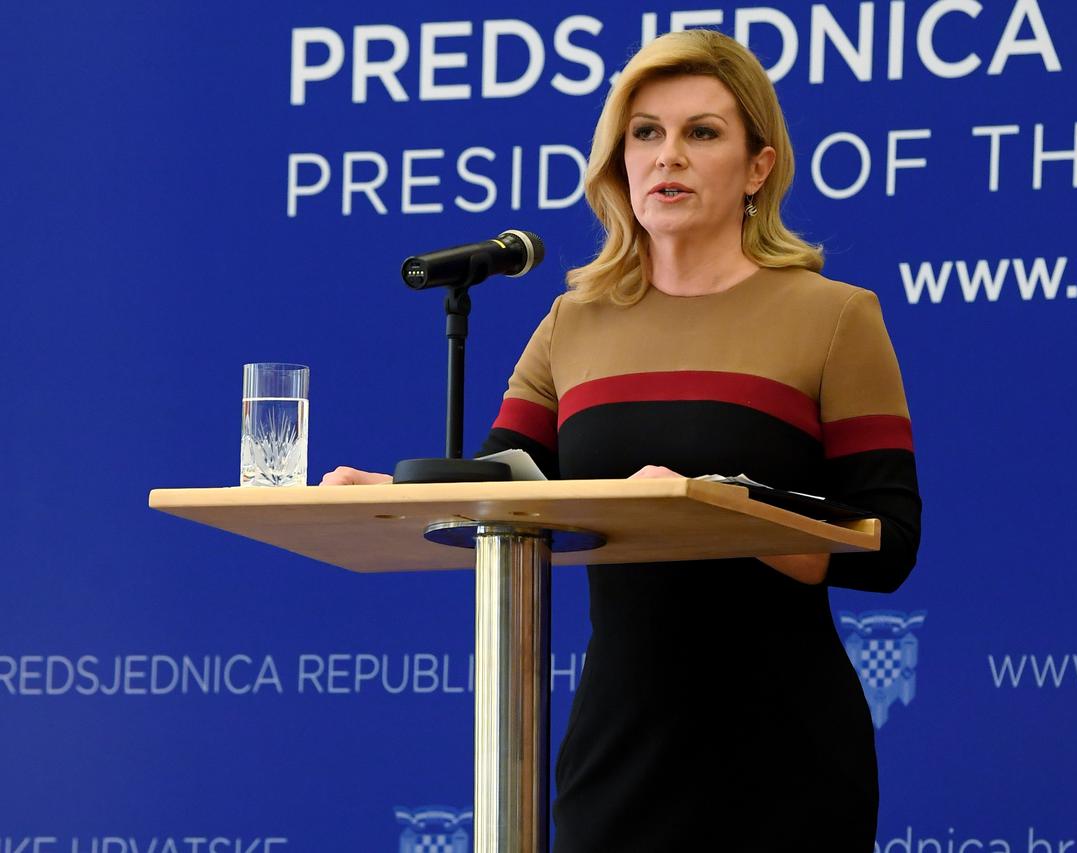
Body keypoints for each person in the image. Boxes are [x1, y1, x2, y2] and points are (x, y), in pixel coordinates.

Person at [323, 28, 921, 852]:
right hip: (618, 751)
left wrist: (711, 510)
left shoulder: (835, 316)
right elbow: (509, 482)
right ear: (618, 161)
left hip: (782, 753)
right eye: (646, 132)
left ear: (759, 167)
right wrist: (398, 493)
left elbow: (889, 541)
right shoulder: (573, 321)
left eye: (701, 132)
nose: (667, 155)